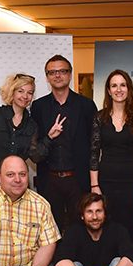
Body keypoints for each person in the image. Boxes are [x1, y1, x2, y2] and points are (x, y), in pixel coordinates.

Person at [30, 55, 98, 230]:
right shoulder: (38, 107)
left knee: (81, 229)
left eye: (62, 71)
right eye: (52, 72)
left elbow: (95, 145)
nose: (57, 75)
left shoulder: (86, 105)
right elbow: (35, 146)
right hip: (49, 180)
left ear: (70, 74)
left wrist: (94, 182)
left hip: (78, 179)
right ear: (47, 77)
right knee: (51, 230)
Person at [0, 73, 65, 194]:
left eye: (30, 92)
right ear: (12, 92)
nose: (25, 96)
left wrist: (49, 137)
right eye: (20, 91)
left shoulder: (31, 124)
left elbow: (35, 156)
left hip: (17, 186)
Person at [90, 69, 133, 241]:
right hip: (106, 181)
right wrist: (95, 186)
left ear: (128, 89)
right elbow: (93, 154)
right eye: (114, 85)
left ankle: (129, 258)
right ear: (109, 91)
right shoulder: (99, 117)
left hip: (131, 182)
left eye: (123, 85)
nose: (118, 89)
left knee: (131, 226)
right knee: (107, 226)